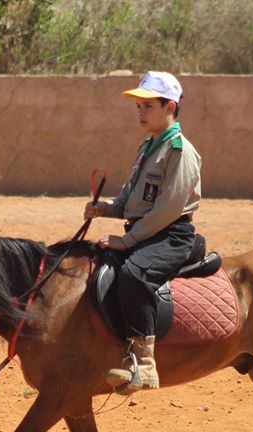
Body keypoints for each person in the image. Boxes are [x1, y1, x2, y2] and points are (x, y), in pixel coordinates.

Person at [84, 71, 202, 394]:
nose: (141, 113)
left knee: (134, 274)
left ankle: (144, 364)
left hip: (171, 235)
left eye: (148, 106)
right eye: (139, 106)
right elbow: (131, 198)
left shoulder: (180, 151)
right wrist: (106, 208)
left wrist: (128, 240)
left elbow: (167, 209)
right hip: (146, 231)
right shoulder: (148, 146)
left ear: (170, 107)